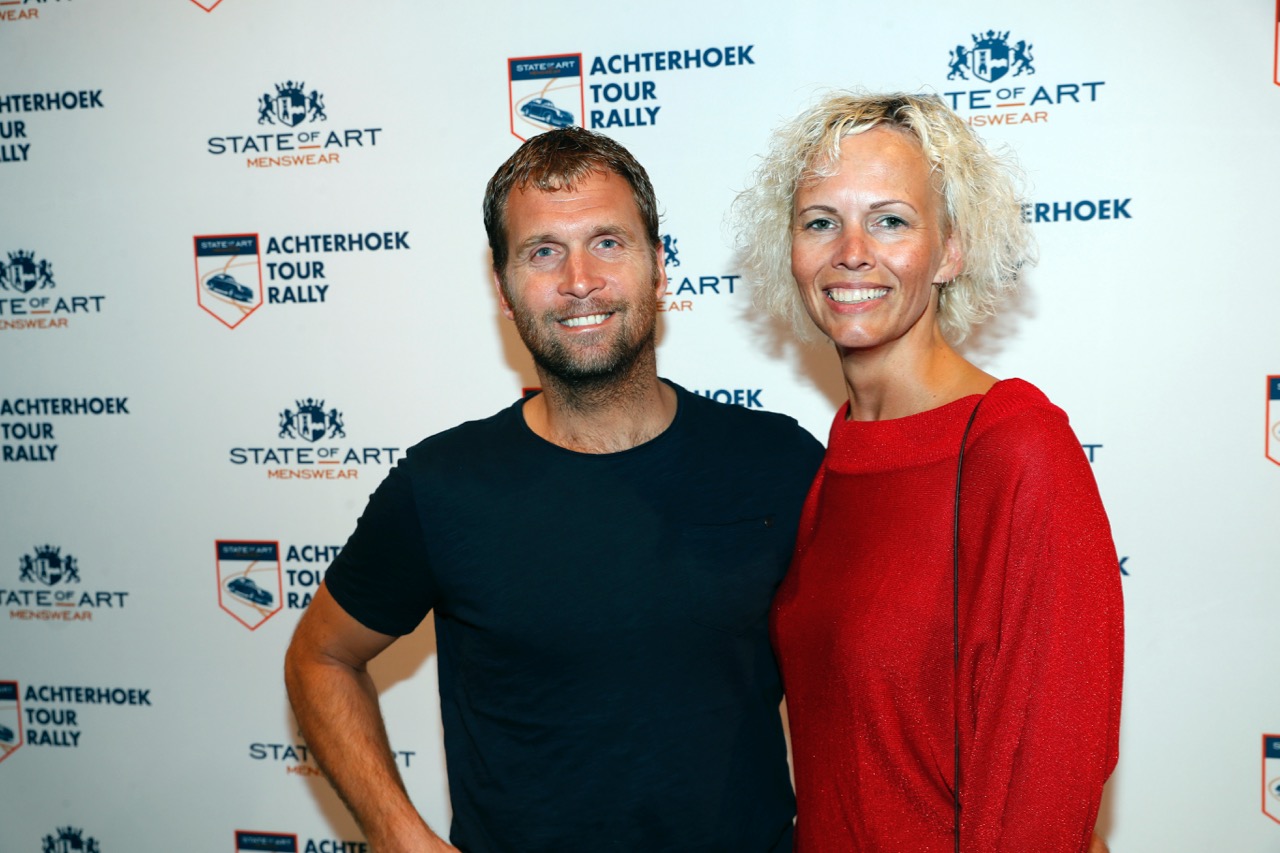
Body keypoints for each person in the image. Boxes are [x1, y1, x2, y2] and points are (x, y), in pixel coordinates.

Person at [284, 127, 824, 853]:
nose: (579, 279)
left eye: (608, 242)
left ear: (658, 268)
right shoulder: (442, 487)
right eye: (543, 251)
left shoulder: (777, 461)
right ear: (504, 290)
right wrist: (395, 832)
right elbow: (320, 658)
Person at [731, 91, 1123, 852]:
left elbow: (1045, 792)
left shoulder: (1015, 446)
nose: (851, 251)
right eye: (821, 221)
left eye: (890, 220)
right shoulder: (839, 452)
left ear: (950, 251)